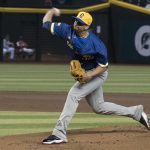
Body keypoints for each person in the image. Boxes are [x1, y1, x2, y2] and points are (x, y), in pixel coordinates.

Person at [42, 8, 150, 144]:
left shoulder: (96, 44)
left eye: (80, 23)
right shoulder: (67, 30)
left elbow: (104, 66)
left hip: (97, 74)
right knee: (99, 107)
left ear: (87, 26)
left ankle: (59, 133)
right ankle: (136, 113)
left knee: (74, 94)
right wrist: (52, 11)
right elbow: (46, 23)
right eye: (76, 21)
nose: (76, 24)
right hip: (88, 71)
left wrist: (89, 75)